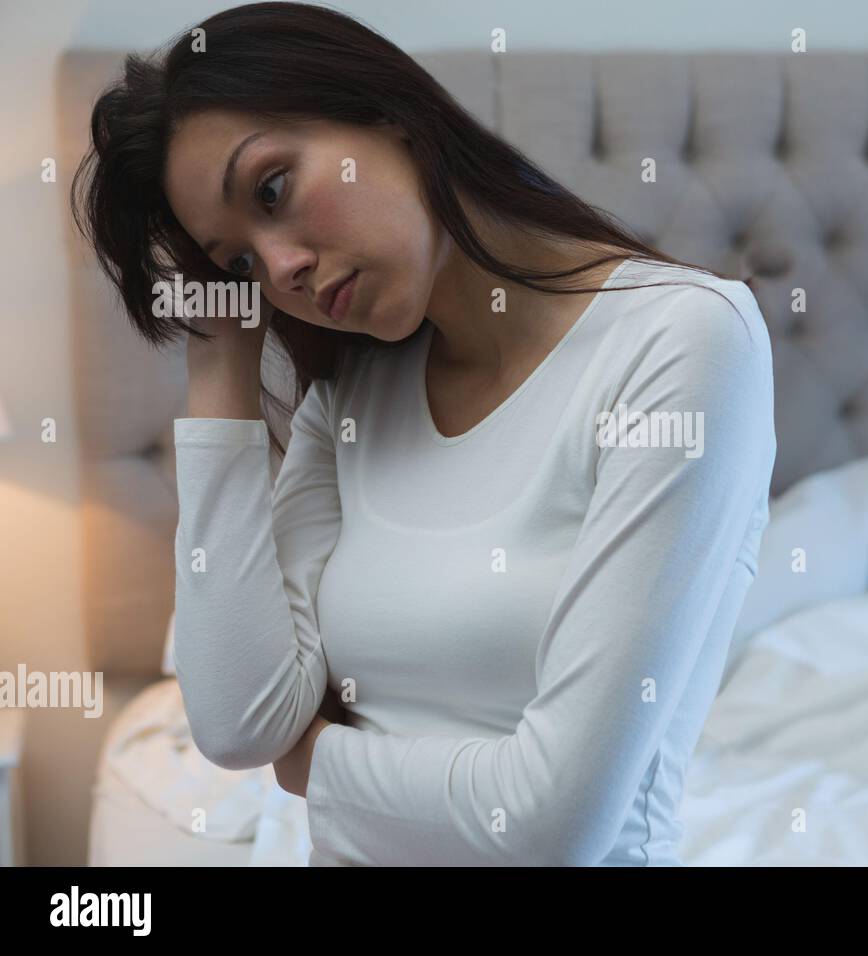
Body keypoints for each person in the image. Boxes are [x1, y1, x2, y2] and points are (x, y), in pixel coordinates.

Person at [71, 1, 775, 866]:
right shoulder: (356, 393)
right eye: (239, 263)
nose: (281, 267)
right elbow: (239, 722)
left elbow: (554, 824)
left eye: (273, 189)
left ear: (388, 114)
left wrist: (316, 763)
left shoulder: (683, 341)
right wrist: (222, 372)